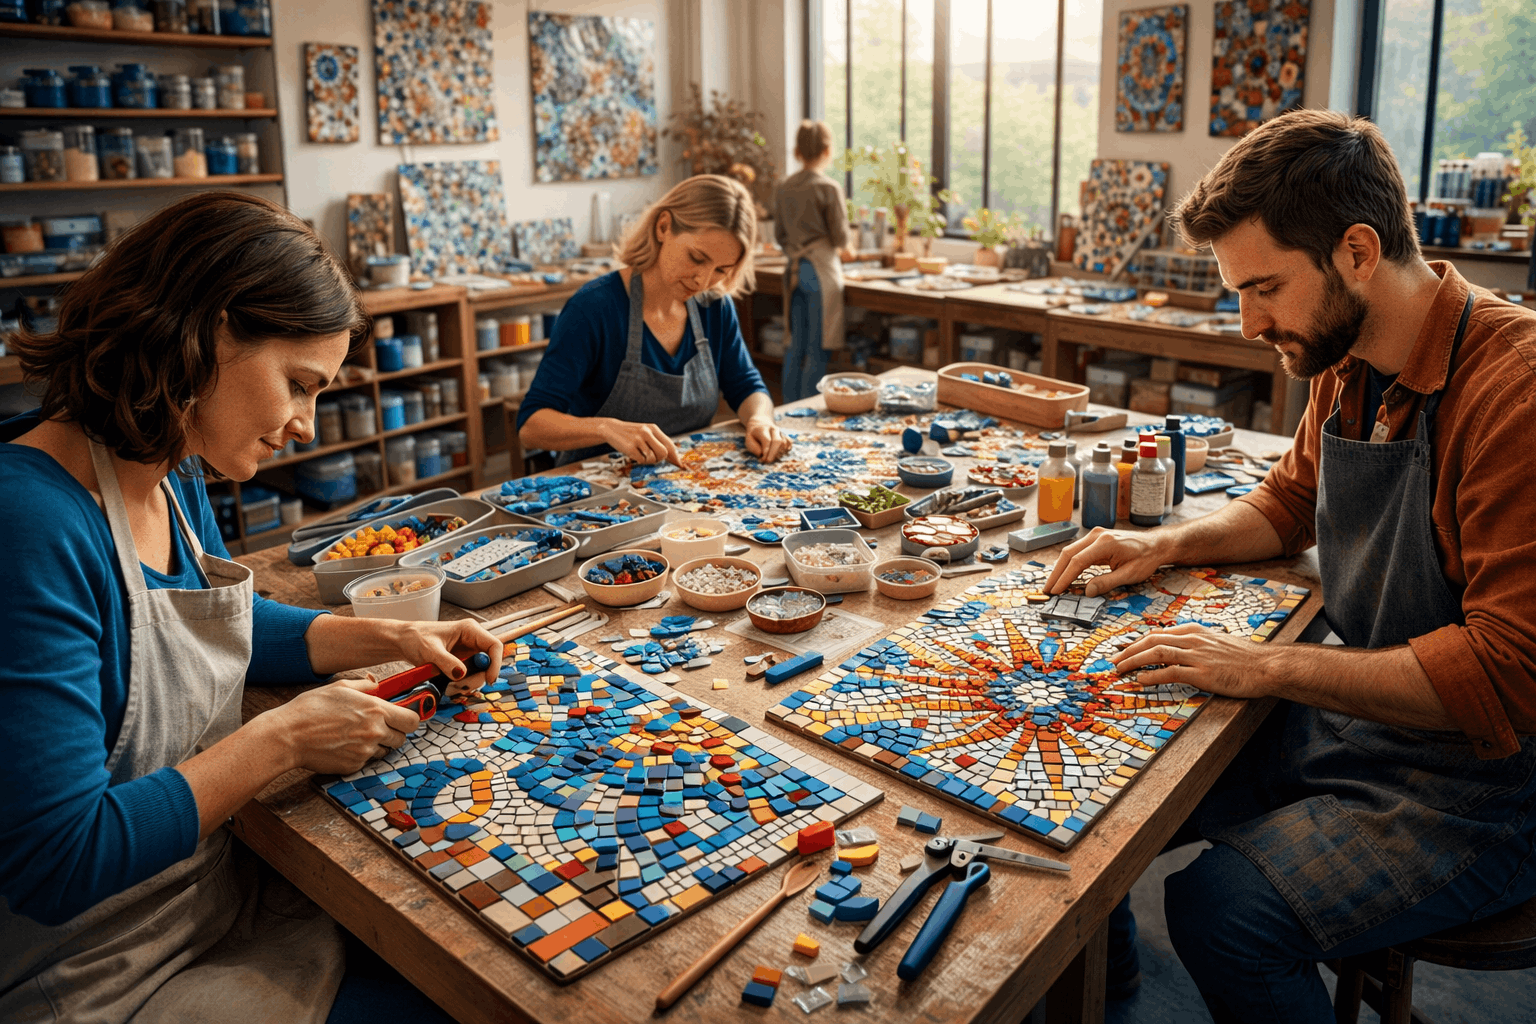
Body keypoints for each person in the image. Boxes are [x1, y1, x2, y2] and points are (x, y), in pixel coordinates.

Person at [1044, 109, 1536, 1022]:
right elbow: (1284, 506)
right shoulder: (1348, 361)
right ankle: (1093, 989)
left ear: (1356, 250)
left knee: (1222, 910)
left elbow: (1507, 679)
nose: (1245, 323)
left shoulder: (1516, 391)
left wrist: (1264, 665)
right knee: (1105, 780)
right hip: (1373, 721)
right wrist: (1163, 543)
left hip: (1490, 784)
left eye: (1263, 287)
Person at [0, 191, 503, 1024]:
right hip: (99, 975)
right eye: (299, 386)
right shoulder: (31, 526)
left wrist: (400, 633)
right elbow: (58, 861)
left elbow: (214, 623)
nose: (306, 426)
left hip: (209, 899)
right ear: (206, 334)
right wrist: (283, 738)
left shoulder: (169, 461)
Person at [518, 174, 790, 467]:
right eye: (697, 258)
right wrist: (607, 428)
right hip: (594, 489)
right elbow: (531, 427)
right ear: (663, 227)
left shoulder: (714, 306)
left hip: (683, 483)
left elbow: (747, 386)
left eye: (721, 270)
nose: (703, 280)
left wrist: (760, 420)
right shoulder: (594, 307)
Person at [772, 120, 854, 401]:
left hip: (794, 271)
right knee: (819, 348)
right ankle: (807, 412)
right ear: (827, 150)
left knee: (794, 345)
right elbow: (841, 238)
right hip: (820, 273)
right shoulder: (828, 188)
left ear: (797, 150)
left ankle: (786, 411)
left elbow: (780, 235)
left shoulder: (784, 186)